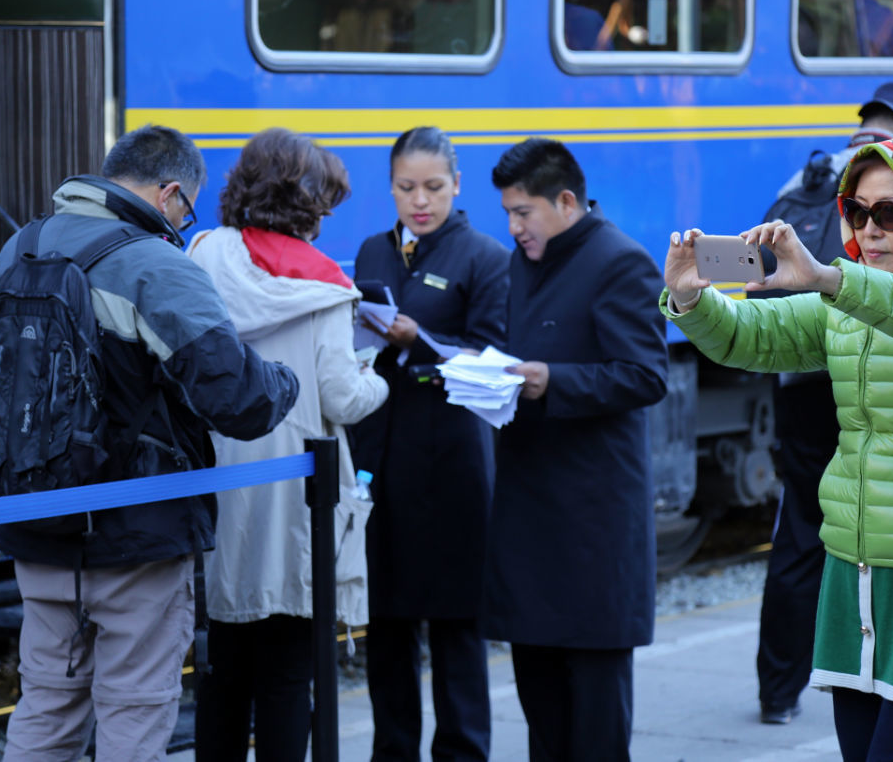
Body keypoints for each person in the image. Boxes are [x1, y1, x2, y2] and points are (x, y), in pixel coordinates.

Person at [663, 134, 893, 760]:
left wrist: (831, 279)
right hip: (852, 567)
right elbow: (751, 338)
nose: (869, 229)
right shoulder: (851, 297)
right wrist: (690, 297)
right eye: (856, 211)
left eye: (890, 213)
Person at [0, 125, 301, 761]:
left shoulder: (17, 249)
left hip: (35, 525)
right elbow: (239, 399)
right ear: (171, 194)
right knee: (133, 709)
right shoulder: (153, 263)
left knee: (46, 705)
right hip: (136, 535)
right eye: (188, 208)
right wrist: (288, 379)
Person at [186, 129, 389, 761]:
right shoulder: (326, 285)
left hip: (216, 483)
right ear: (306, 203)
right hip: (296, 495)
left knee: (221, 674)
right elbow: (342, 400)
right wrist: (375, 375)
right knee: (285, 677)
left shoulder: (202, 254)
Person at [752, 82, 893, 726]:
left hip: (806, 389)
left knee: (807, 535)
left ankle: (780, 690)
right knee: (875, 536)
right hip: (853, 386)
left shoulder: (807, 180)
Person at [481, 137, 668, 762]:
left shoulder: (621, 262)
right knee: (540, 701)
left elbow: (646, 375)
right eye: (507, 213)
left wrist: (550, 380)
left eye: (522, 213)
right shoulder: (523, 260)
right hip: (531, 509)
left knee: (594, 708)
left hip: (593, 522)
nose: (512, 227)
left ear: (565, 201)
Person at [350, 126, 509, 762]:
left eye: (434, 188)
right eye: (406, 188)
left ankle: (463, 752)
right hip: (383, 453)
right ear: (390, 187)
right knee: (386, 622)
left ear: (457, 185)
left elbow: (496, 351)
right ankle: (393, 750)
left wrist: (421, 339)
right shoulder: (372, 251)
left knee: (455, 624)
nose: (421, 201)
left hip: (452, 456)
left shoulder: (483, 256)